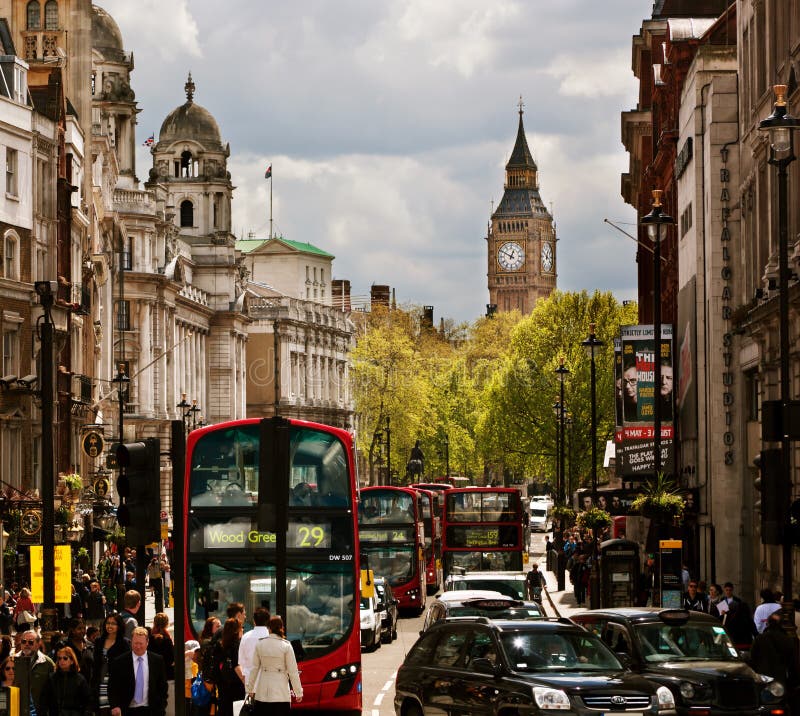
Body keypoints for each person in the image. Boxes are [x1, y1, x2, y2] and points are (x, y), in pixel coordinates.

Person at [246, 615, 303, 716]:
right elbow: (293, 671)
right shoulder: (286, 645)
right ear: (281, 628)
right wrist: (298, 692)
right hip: (281, 693)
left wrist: (249, 688)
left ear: (269, 628)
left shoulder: (260, 644)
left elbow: (254, 668)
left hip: (263, 691)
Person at [108, 626, 168, 716]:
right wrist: (115, 706)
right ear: (131, 642)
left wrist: (161, 707)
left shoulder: (157, 660)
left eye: (141, 643)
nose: (138, 647)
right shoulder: (119, 662)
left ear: (147, 642)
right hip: (127, 710)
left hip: (151, 710)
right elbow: (112, 687)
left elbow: (162, 686)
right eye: (135, 643)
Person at [92, 612, 131, 716]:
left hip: (116, 685)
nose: (110, 626)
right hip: (100, 683)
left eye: (113, 623)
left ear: (119, 626)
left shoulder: (124, 643)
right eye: (108, 623)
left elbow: (127, 668)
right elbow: (95, 665)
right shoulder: (99, 641)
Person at [750, 612, 799, 692]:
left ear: (767, 623)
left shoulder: (760, 638)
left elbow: (753, 657)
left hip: (763, 676)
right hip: (780, 676)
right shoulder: (786, 639)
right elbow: (791, 661)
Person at [38, 645, 92, 716]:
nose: (61, 661)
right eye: (59, 658)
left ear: (72, 661)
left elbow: (88, 701)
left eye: (65, 658)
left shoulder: (80, 679)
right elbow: (43, 700)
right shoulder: (52, 678)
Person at [15, 630, 55, 715]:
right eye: (24, 641)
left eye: (30, 642)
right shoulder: (12, 661)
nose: (26, 644)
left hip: (39, 711)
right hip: (17, 709)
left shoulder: (48, 663)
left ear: (38, 644)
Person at [212, 618, 246, 716]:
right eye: (241, 628)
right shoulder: (236, 645)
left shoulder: (220, 645)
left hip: (222, 685)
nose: (242, 630)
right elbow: (236, 665)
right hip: (236, 686)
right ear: (236, 630)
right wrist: (246, 682)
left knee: (224, 709)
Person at [719, 582, 756, 648]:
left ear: (732, 590)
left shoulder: (737, 600)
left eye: (730, 590)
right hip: (726, 620)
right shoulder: (722, 600)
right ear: (724, 590)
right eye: (727, 590)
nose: (728, 592)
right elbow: (721, 614)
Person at [238, 607, 270, 682]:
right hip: (268, 682)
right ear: (268, 621)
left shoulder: (245, 637)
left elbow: (241, 662)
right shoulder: (272, 637)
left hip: (250, 681)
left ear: (254, 621)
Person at [148, 613, 175, 681]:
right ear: (166, 624)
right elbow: (171, 659)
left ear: (154, 622)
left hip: (152, 673)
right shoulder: (167, 640)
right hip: (166, 674)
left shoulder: (149, 638)